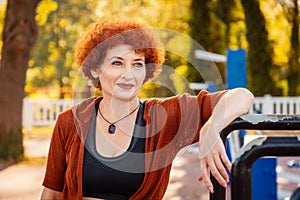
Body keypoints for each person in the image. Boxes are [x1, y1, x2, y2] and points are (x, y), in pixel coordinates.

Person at [41, 19, 254, 200]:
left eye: (137, 64)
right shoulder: (69, 121)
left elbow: (242, 96)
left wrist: (211, 128)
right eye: (117, 63)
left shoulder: (165, 116)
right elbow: (51, 194)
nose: (129, 74)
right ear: (96, 68)